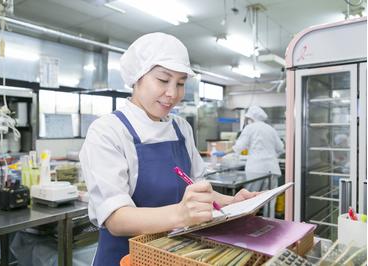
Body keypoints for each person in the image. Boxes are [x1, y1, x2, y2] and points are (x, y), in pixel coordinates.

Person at [79, 32, 259, 266]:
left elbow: (197, 189)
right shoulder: (108, 131)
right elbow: (116, 218)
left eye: (181, 83)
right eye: (163, 80)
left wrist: (231, 202)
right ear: (137, 77)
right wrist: (181, 215)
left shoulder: (181, 128)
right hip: (124, 257)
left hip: (175, 253)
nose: (173, 94)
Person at [232, 105, 284, 217]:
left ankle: (248, 223)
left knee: (251, 199)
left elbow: (239, 147)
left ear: (251, 118)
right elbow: (280, 148)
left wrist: (230, 152)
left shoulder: (249, 128)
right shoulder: (270, 129)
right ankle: (269, 224)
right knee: (270, 200)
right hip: (272, 168)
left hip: (255, 169)